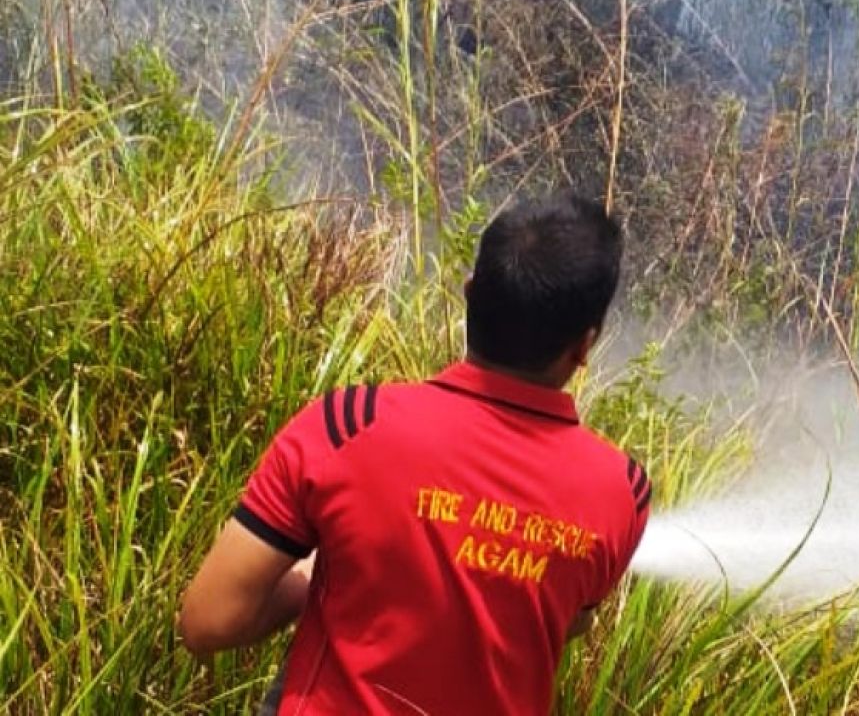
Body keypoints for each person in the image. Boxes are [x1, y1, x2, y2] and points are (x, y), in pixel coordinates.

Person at [178, 193, 652, 715]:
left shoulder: (348, 427)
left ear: (470, 294)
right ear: (584, 347)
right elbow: (571, 619)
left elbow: (207, 622)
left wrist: (310, 579)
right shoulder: (622, 491)